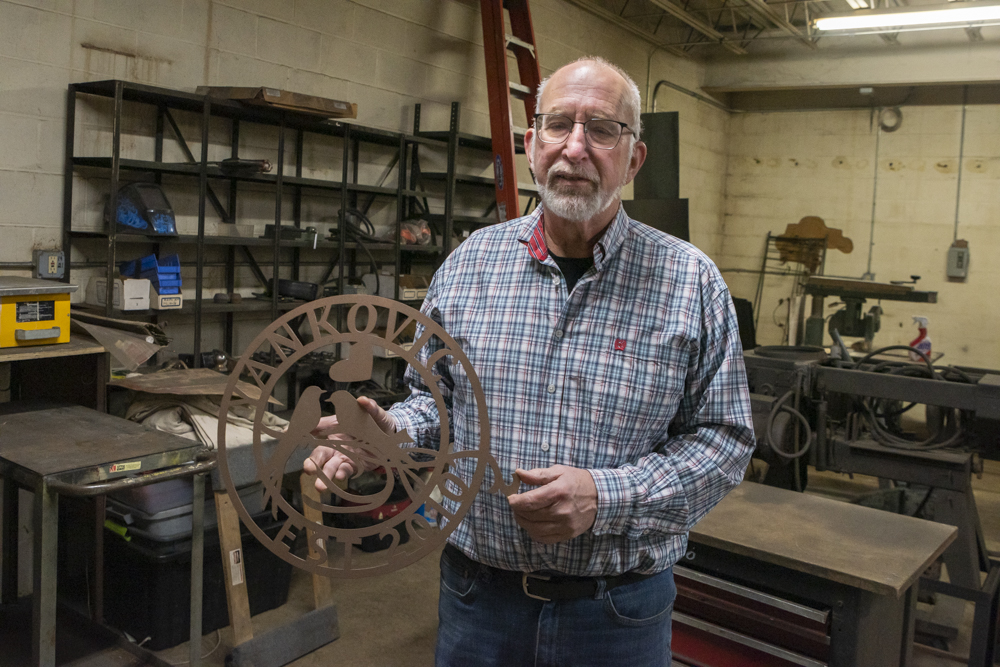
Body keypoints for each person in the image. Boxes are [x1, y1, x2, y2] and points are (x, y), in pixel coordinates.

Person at [305, 56, 755, 667]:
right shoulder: (470, 265)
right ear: (531, 143)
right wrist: (390, 434)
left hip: (616, 613)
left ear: (635, 158)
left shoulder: (689, 281)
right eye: (558, 124)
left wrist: (605, 495)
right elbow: (432, 403)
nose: (575, 147)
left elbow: (723, 439)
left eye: (601, 129)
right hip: (478, 601)